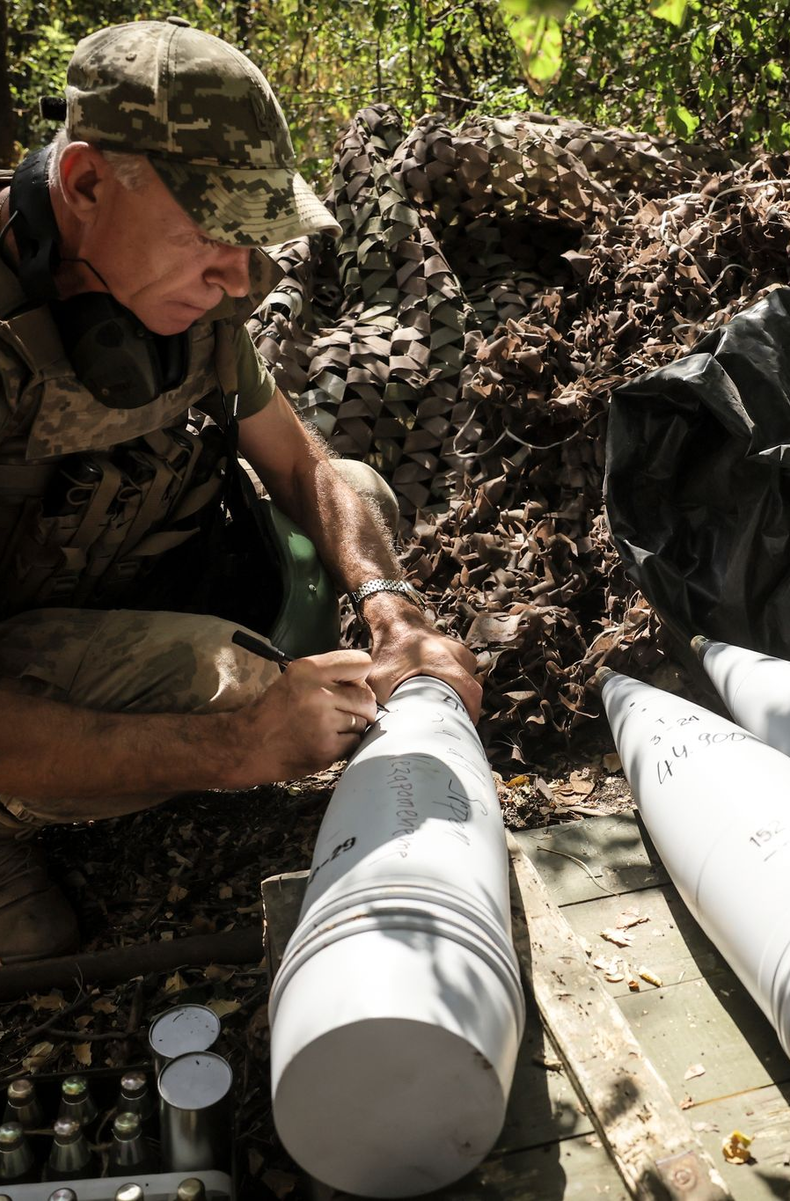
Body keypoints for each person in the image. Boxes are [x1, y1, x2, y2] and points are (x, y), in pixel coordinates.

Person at [0, 17, 481, 962]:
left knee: (361, 491)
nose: (239, 277)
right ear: (86, 182)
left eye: (252, 238)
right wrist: (242, 744)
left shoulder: (187, 300)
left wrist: (394, 610)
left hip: (128, 585)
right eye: (212, 233)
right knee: (232, 691)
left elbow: (305, 465)